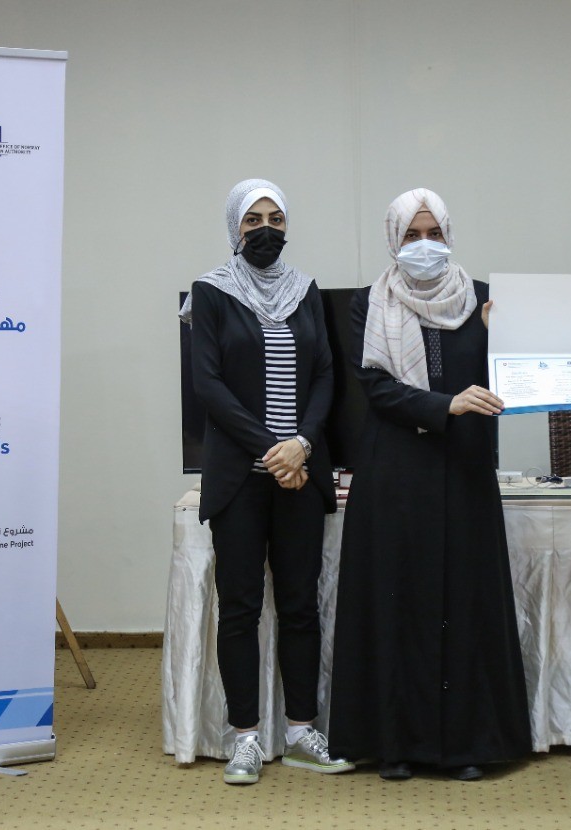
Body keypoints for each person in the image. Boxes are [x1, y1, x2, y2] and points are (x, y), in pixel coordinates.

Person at [328, 188, 531, 782]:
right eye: (412, 236)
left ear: (449, 235)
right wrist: (446, 405)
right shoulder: (370, 302)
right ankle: (394, 744)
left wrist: (506, 339)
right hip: (394, 471)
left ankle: (467, 744)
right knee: (397, 602)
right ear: (394, 240)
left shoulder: (483, 300)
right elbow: (377, 389)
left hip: (463, 468)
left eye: (434, 234)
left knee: (464, 602)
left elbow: (512, 378)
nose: (424, 245)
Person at [182, 178, 354, 785]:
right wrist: (270, 450)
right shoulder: (211, 292)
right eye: (252, 219)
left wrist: (300, 444)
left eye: (275, 219)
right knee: (241, 609)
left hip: (299, 475)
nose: (265, 230)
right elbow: (208, 384)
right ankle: (246, 738)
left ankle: (303, 732)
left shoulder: (305, 290)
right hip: (241, 480)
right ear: (235, 226)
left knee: (301, 605)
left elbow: (326, 375)